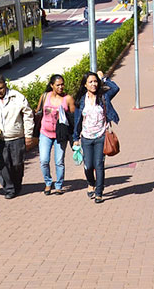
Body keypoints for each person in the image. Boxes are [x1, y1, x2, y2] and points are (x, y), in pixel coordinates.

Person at [73, 71, 120, 204]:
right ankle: (91, 183)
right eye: (90, 82)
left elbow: (115, 88)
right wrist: (75, 138)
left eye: (95, 81)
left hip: (101, 136)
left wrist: (103, 77)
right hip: (86, 138)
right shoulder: (81, 100)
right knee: (88, 166)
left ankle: (99, 193)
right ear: (85, 85)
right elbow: (77, 120)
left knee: (99, 165)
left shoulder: (104, 96)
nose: (93, 84)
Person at [0, 74, 35, 199]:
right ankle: (9, 189)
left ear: (5, 86)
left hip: (16, 137)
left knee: (17, 164)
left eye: (1, 88)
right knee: (3, 165)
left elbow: (28, 115)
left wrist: (28, 135)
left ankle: (17, 184)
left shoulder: (17, 97)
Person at [36, 74, 76, 195]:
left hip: (61, 134)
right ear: (51, 85)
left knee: (59, 161)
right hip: (45, 133)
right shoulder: (44, 97)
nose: (60, 87)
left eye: (62, 84)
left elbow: (74, 117)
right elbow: (38, 112)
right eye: (57, 85)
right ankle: (48, 183)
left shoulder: (67, 99)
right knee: (44, 160)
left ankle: (58, 185)